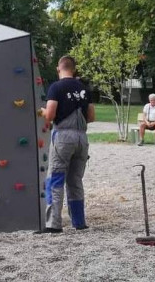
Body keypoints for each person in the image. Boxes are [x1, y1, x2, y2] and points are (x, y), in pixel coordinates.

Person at [38, 55, 95, 234]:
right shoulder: (84, 88)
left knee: (55, 178)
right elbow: (91, 117)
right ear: (74, 69)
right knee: (75, 180)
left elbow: (50, 115)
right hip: (82, 138)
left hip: (63, 137)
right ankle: (79, 222)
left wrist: (42, 111)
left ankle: (54, 224)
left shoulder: (56, 87)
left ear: (58, 68)